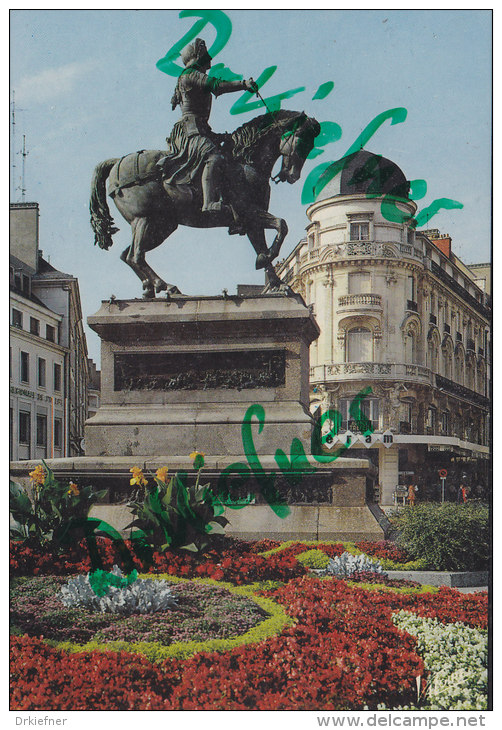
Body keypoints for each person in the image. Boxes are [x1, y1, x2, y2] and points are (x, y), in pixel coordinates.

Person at [166, 38, 258, 218]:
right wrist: (243, 84)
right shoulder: (190, 75)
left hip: (199, 128)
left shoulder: (190, 75)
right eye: (204, 55)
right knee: (213, 156)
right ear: (197, 57)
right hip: (189, 131)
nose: (209, 59)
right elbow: (217, 85)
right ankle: (209, 203)